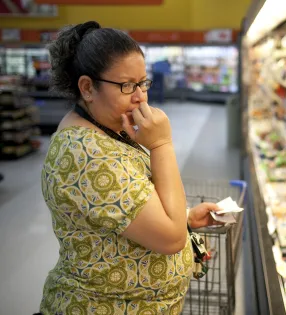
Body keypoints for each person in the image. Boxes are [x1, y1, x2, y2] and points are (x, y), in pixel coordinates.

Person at [39, 21, 222, 314]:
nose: (140, 96)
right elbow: (172, 239)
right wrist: (161, 144)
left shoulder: (105, 130)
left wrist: (185, 218)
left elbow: (117, 214)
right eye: (127, 86)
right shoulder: (87, 153)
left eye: (143, 83)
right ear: (87, 87)